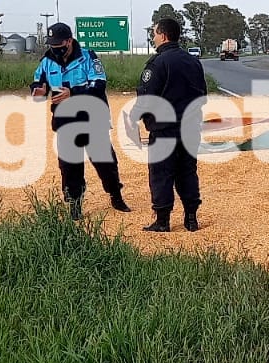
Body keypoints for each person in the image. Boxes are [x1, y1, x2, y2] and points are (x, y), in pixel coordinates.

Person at [31, 22, 130, 219]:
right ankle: (74, 205)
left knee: (105, 163)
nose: (55, 48)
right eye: (52, 44)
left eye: (58, 44)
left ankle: (116, 196)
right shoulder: (47, 61)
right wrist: (38, 91)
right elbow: (37, 83)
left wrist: (73, 93)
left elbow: (98, 85)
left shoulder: (88, 57)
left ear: (69, 41)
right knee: (69, 167)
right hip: (66, 122)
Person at [129, 17, 207, 232]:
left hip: (164, 131)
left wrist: (133, 117)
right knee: (188, 172)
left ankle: (162, 221)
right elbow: (203, 95)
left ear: (163, 36)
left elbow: (146, 98)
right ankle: (191, 218)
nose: (153, 37)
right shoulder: (193, 62)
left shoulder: (157, 64)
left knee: (161, 174)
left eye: (154, 33)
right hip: (190, 129)